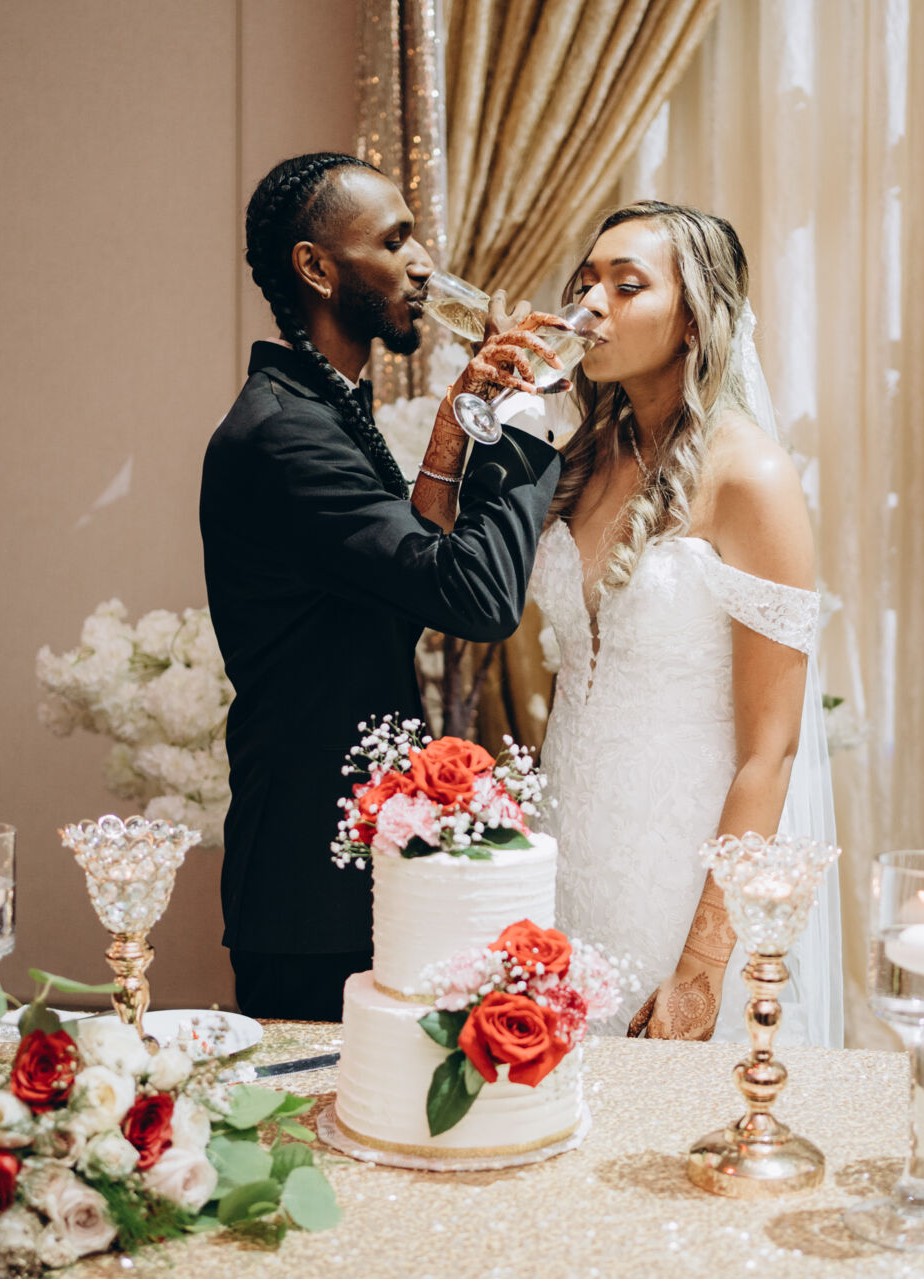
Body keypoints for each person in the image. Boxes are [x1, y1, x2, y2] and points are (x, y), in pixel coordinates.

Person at [202, 152, 568, 1020]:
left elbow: (400, 585)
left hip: (353, 864)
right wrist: (518, 419)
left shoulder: (323, 407)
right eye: (395, 241)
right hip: (309, 882)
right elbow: (476, 598)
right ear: (317, 267)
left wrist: (451, 433)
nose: (424, 263)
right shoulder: (284, 436)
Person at [533, 200, 843, 1044]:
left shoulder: (751, 478)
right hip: (570, 847)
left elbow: (770, 749)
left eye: (626, 285)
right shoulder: (578, 459)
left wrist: (703, 965)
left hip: (685, 868)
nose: (590, 304)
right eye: (585, 282)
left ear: (696, 319)